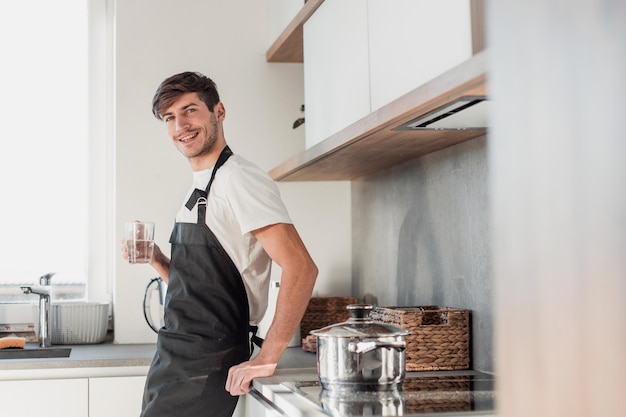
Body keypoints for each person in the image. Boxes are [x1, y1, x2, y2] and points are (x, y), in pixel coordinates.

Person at [122, 71, 318, 417]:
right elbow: (198, 290)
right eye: (170, 117)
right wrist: (156, 260)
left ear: (219, 112)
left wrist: (267, 357)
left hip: (207, 365)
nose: (180, 124)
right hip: (174, 358)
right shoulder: (199, 189)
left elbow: (301, 267)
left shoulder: (238, 178)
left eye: (190, 110)